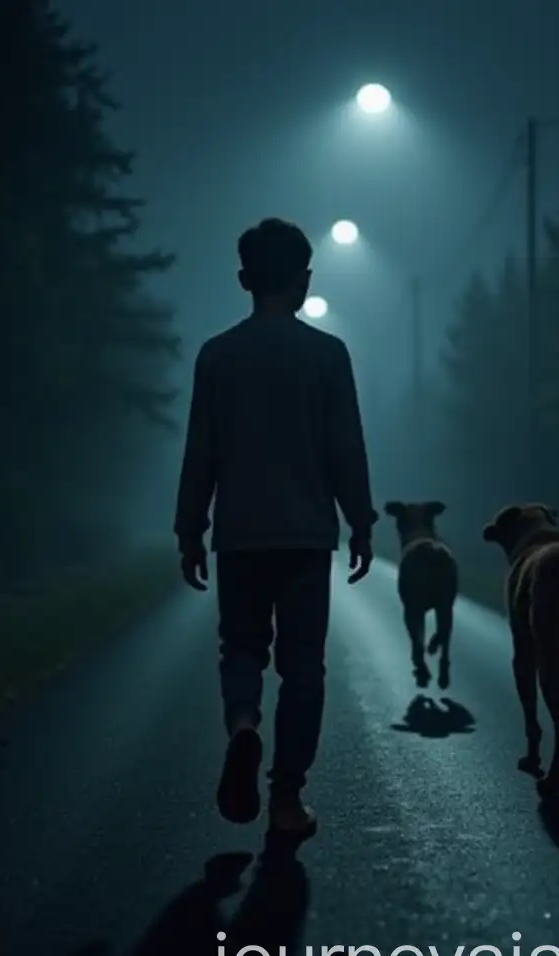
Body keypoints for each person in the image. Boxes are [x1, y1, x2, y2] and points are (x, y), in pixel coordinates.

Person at [174, 217, 377, 837]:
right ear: (304, 279)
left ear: (243, 279)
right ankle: (286, 799)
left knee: (240, 647)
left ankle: (243, 727)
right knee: (302, 667)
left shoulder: (217, 356)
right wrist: (361, 523)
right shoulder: (327, 355)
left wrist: (190, 529)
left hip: (239, 535)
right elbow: (346, 448)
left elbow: (200, 451)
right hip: (306, 537)